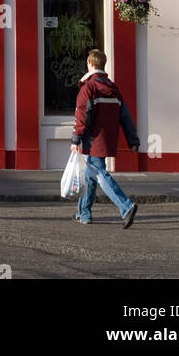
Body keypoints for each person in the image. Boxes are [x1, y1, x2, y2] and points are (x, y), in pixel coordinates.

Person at [70, 47, 140, 228]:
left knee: (99, 174)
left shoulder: (89, 88)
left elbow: (81, 115)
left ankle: (126, 206)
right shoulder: (114, 89)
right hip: (108, 139)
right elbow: (125, 116)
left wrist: (75, 139)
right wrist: (132, 140)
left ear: (89, 64)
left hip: (91, 139)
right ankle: (83, 213)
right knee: (90, 176)